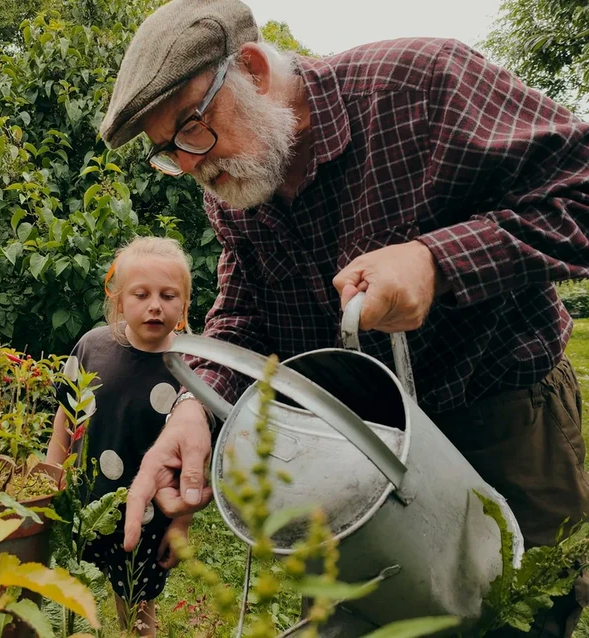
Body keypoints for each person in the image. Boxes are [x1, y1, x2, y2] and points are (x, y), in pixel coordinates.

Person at [97, 0, 589, 634]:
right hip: (352, 447)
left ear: (250, 69)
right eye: (168, 151)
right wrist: (198, 407)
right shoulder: (238, 182)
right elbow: (245, 312)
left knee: (517, 616)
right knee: (354, 619)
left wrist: (437, 262)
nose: (190, 165)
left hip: (500, 417)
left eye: (192, 127)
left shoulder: (420, 86)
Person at [46, 236, 196, 636]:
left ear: (184, 305)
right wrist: (50, 469)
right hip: (86, 500)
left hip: (149, 514)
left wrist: (181, 523)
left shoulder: (190, 366)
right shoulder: (93, 347)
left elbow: (195, 458)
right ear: (118, 300)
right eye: (141, 294)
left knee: (135, 598)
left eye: (168, 295)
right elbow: (67, 412)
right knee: (70, 586)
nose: (154, 305)